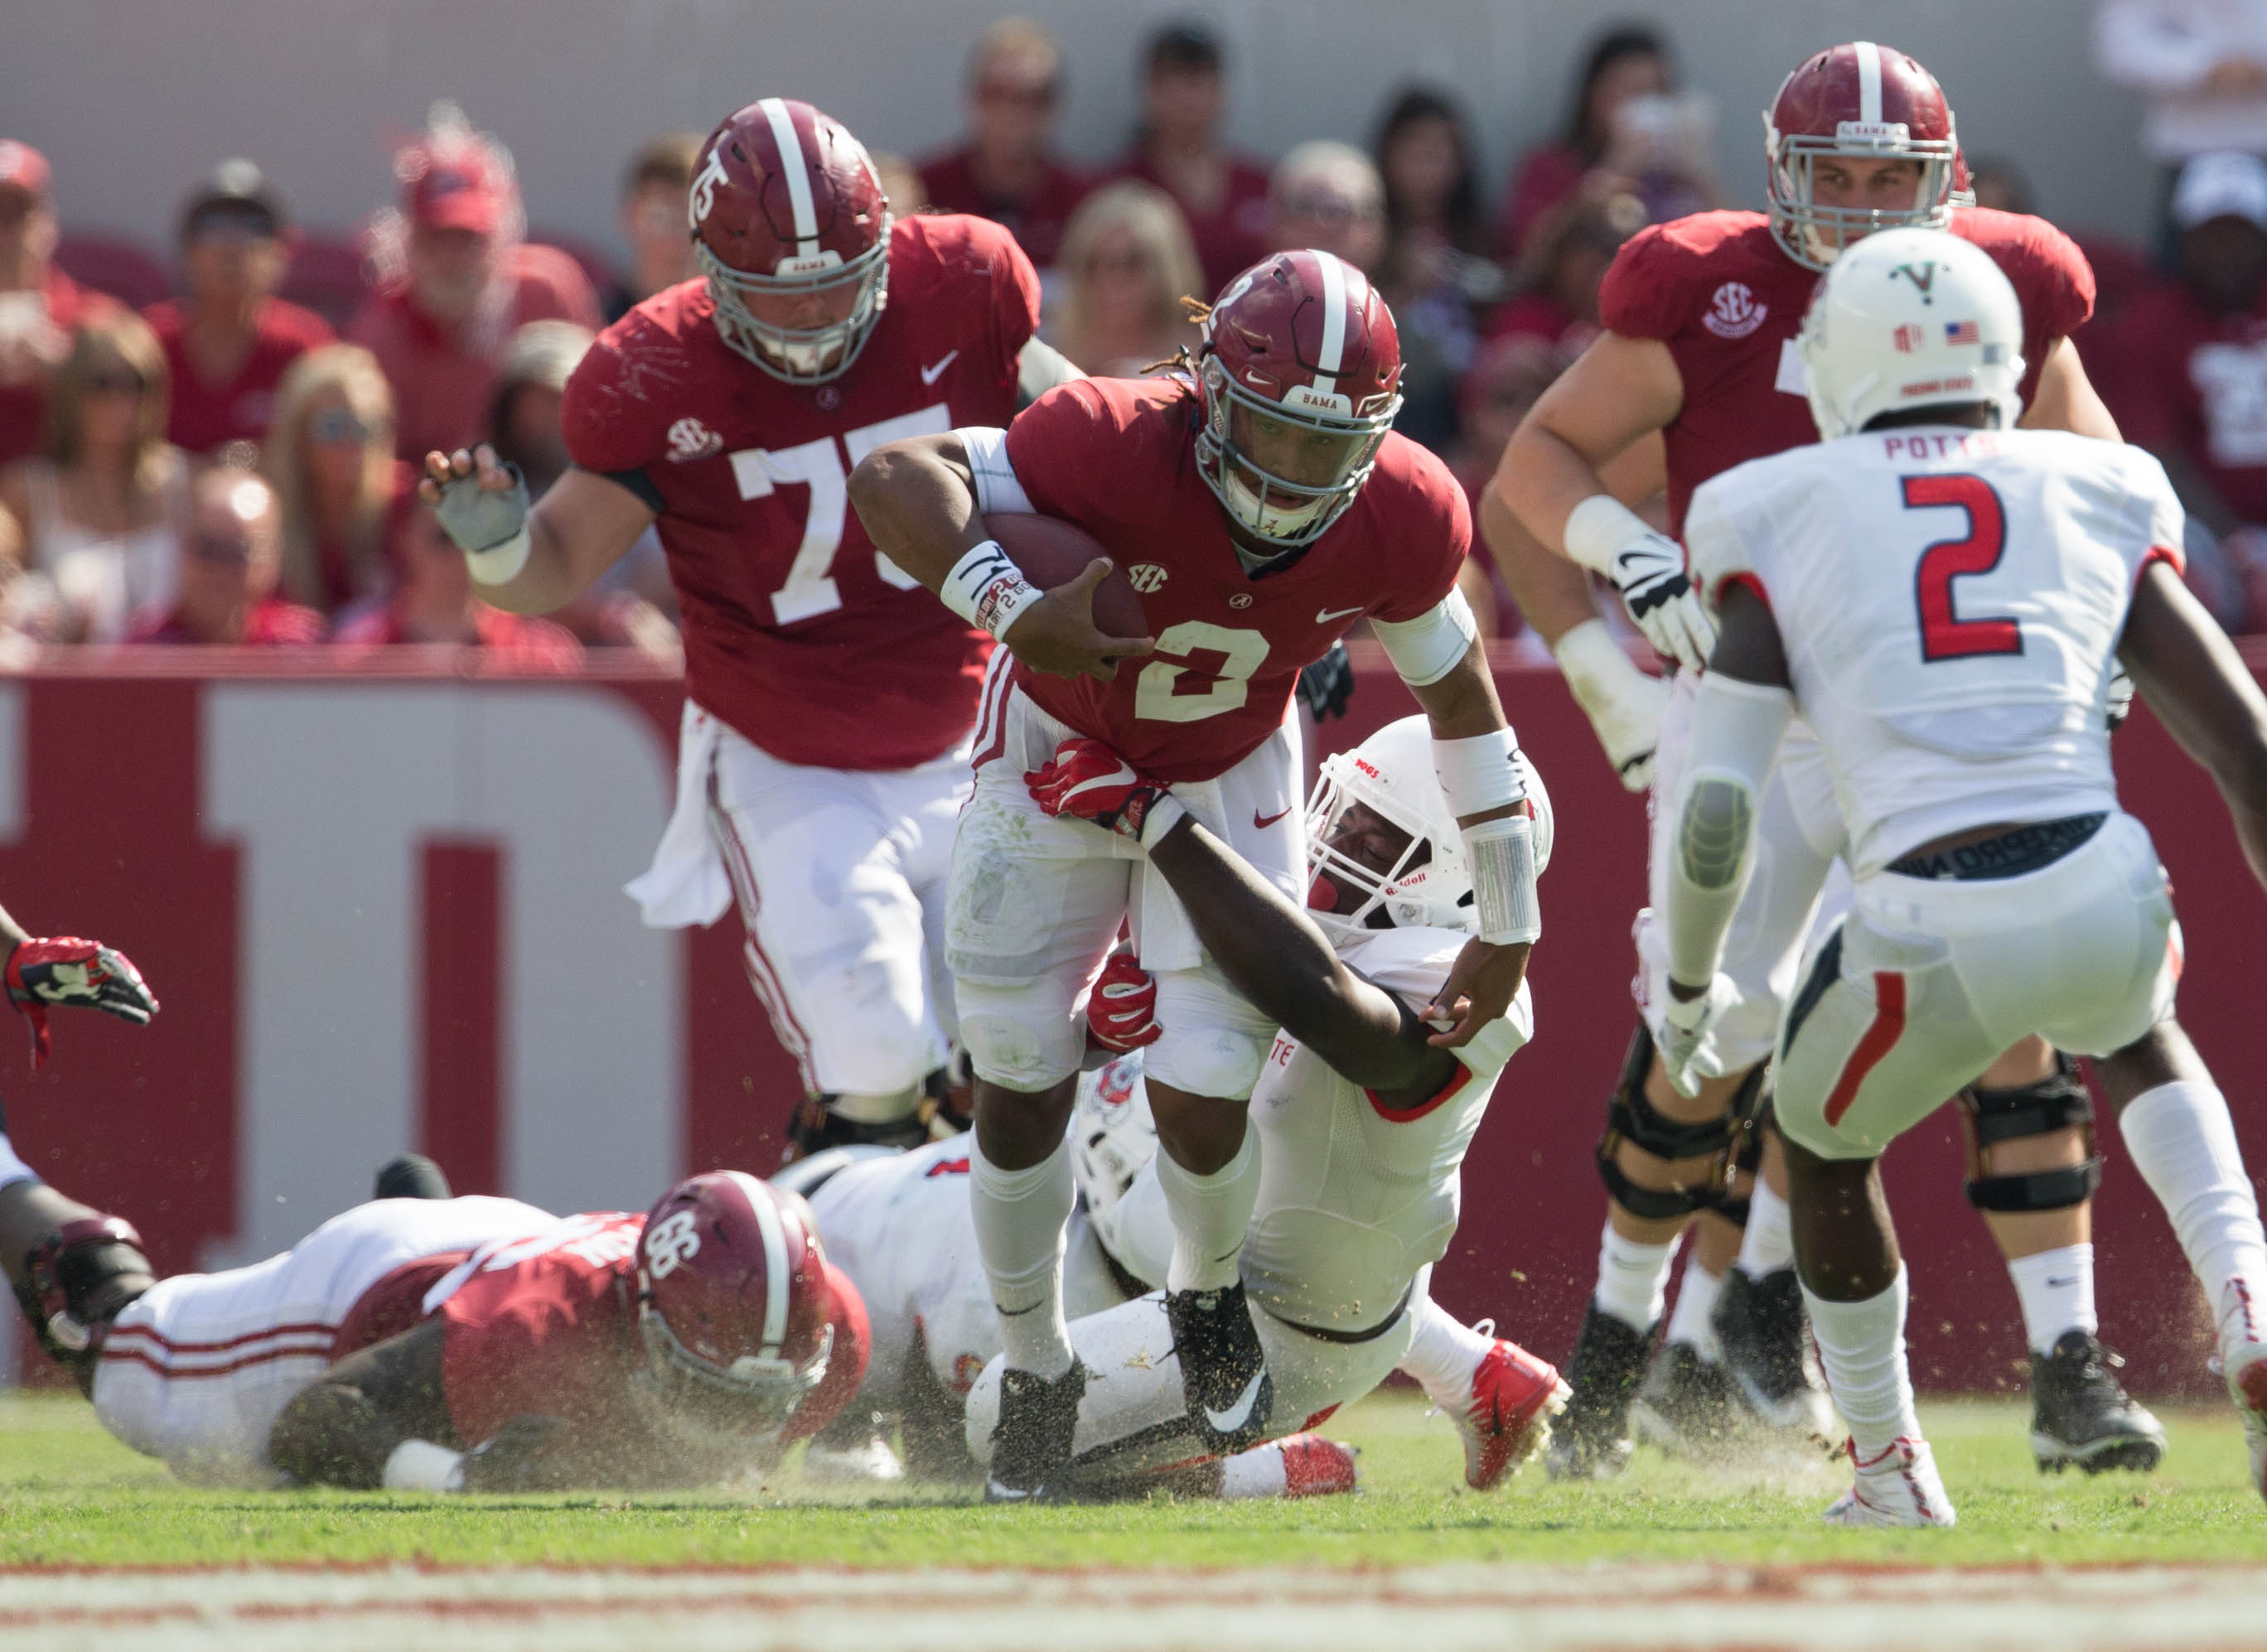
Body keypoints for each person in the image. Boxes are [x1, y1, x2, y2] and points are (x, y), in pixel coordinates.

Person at [1490, 41, 2152, 1481]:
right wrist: (1624, 559)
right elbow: (1534, 468)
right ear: (1783, 177)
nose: (1857, 206)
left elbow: (2106, 486)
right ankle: (1620, 1351)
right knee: (1710, 1027)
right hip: (1755, 702)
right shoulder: (1711, 289)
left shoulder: (2001, 283)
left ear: (1944, 183)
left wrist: (2104, 632)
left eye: (1886, 178)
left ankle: (2065, 1365)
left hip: (1925, 712)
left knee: (2003, 1006)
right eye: (1832, 176)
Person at [849, 246, 1540, 1500]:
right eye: (1273, 431)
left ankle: (1206, 1296)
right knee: (1017, 1069)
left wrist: (1512, 917)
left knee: (1210, 1066)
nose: (1292, 473)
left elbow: (1464, 697)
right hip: (1052, 740)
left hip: (1223, 762)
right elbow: (894, 477)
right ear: (1210, 390)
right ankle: (1037, 1361)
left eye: (1327, 446)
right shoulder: (1108, 437)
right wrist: (1011, 606)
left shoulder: (1403, 509)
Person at [1665, 226, 2267, 1522]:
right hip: (2100, 874)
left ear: (1836, 364)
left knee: (1822, 1144)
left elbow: (1719, 801)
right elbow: (2246, 744)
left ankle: (1891, 1470)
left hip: (1923, 914)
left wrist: (1690, 978)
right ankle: (2250, 1306)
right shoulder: (2100, 481)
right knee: (2140, 1030)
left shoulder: (1772, 501)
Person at [419, 100, 1079, 1159]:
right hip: (792, 759)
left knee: (1022, 1058)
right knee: (872, 1050)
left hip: (975, 740)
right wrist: (498, 548)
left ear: (883, 251)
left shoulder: (958, 290)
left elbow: (1091, 454)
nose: (813, 316)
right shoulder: (657, 372)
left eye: (835, 284)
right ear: (715, 276)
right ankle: (845, 1220)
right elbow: (556, 564)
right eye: (783, 293)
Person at [958, 716, 1566, 1491]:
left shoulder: (1462, 984)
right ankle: (1473, 1370)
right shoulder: (1317, 934)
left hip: (1295, 1325)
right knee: (1125, 1163)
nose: (1334, 846)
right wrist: (1105, 1030)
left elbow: (1325, 1007)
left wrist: (1158, 822)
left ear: (1459, 889)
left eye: (1378, 844)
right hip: (1271, 1242)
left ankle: (1280, 1471)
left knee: (1002, 1423)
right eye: (1343, 816)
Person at [0, 1110, 870, 1488]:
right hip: (373, 1286)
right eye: (711, 1388)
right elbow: (317, 1416)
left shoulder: (827, 1326)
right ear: (645, 1324)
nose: (733, 1422)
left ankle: (418, 1192)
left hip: (502, 1243)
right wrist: (453, 1476)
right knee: (115, 1345)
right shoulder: (535, 1333)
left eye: (759, 1397)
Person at [780, 1070, 1354, 1501]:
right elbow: (970, 1458)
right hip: (786, 1273)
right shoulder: (1020, 1284)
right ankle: (841, 1436)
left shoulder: (1086, 1175)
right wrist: (1274, 1468)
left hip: (853, 1198)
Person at [347, 104, 600, 463]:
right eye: (435, 239)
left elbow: (601, 411)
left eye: (468, 239)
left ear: (501, 238)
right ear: (408, 243)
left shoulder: (549, 294)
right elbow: (375, 469)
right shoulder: (383, 335)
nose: (451, 259)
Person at [2100, 149, 2267, 630]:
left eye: (2241, 234)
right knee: (2183, 578)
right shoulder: (2149, 324)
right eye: (2212, 234)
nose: (2227, 251)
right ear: (2184, 240)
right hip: (2206, 530)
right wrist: (2238, 541)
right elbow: (2157, 450)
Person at [483, 320, 678, 659]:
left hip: (629, 656)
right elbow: (503, 587)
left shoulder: (628, 481)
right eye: (534, 400)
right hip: (527, 663)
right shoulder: (489, 491)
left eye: (562, 397)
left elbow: (665, 572)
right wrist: (602, 617)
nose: (549, 415)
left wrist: (626, 613)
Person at [0, 309, 191, 643]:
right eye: (102, 382)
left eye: (136, 382)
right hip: (62, 671)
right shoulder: (26, 491)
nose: (120, 398)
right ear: (71, 390)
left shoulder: (181, 483)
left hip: (167, 670)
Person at [141, 160, 333, 455]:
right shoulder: (150, 344)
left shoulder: (303, 347)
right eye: (213, 225)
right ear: (188, 252)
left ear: (282, 254)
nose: (233, 246)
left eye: (255, 226)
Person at [1374, 87, 1501, 454]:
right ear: (1388, 153)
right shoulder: (1373, 234)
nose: (1431, 161)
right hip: (1402, 397)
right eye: (1416, 147)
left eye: (1444, 148)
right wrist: (1407, 289)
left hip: (1468, 396)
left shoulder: (1477, 234)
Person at [1104, 22, 1274, 296]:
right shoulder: (1117, 188)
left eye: (1200, 78)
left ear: (1221, 90)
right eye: (1175, 78)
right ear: (1150, 91)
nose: (1189, 95)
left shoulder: (1263, 186)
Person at [917, 18, 1091, 276]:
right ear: (972, 99)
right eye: (996, 93)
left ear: (1053, 106)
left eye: (1031, 97)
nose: (1012, 112)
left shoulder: (1082, 204)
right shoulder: (926, 192)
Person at [1496, 27, 1680, 261]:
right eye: (1632, 90)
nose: (1647, 106)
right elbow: (1528, 259)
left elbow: (1723, 254)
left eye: (1657, 92)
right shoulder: (1549, 166)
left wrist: (1701, 177)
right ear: (1593, 92)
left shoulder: (1675, 178)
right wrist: (1614, 170)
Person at [261, 343, 413, 616]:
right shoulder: (266, 513)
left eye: (363, 427)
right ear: (299, 436)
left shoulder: (405, 505)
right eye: (333, 427)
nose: (350, 443)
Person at [332, 503, 580, 668]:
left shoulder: (541, 658)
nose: (462, 557)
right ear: (406, 539)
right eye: (445, 537)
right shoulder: (355, 656)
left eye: (477, 541)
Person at [0, 142, 118, 469]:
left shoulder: (97, 320)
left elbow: (139, 430)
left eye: (12, 215)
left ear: (47, 222)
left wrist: (68, 373)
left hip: (59, 489)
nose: (3, 235)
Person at [125, 467, 321, 645]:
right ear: (182, 548)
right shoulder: (146, 651)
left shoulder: (302, 649)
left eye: (239, 552)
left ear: (272, 561)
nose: (221, 569)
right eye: (208, 548)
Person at [1050, 181, 1203, 376]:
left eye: (1133, 262)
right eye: (1095, 262)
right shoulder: (1052, 364)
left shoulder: (1202, 363)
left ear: (1166, 268)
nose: (1115, 278)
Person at [606, 133, 703, 322]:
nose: (677, 239)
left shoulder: (738, 328)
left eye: (692, 218)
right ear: (630, 215)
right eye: (661, 217)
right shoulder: (597, 324)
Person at [1266, 142, 1388, 273]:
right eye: (1307, 208)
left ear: (1378, 229)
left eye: (1344, 211)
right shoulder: (1253, 286)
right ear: (1276, 223)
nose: (1328, 225)